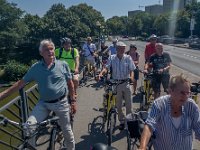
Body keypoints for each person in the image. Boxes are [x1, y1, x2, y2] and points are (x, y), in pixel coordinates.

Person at [0, 39, 76, 150]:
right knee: (28, 126)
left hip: (61, 103)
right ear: (41, 53)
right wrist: (2, 96)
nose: (50, 51)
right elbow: (19, 84)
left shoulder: (63, 65)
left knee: (67, 132)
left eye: (51, 49)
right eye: (46, 49)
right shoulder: (36, 68)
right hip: (44, 103)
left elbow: (70, 84)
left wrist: (73, 101)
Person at [139, 74, 200, 150]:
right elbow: (149, 125)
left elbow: (198, 128)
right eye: (182, 93)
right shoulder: (159, 104)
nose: (186, 97)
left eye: (188, 93)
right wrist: (142, 147)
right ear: (171, 91)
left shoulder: (192, 106)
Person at [98, 41, 136, 130]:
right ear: (116, 49)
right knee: (118, 105)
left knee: (129, 104)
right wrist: (100, 74)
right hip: (116, 83)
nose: (122, 50)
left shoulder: (128, 58)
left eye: (123, 49)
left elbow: (132, 70)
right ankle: (122, 121)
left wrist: (131, 77)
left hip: (126, 82)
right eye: (120, 49)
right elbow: (106, 68)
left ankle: (129, 122)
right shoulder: (112, 57)